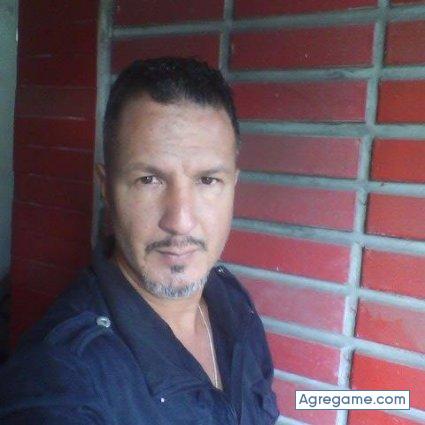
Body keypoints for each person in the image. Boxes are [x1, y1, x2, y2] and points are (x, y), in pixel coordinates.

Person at [0, 57, 279, 424]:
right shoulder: (61, 376)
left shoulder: (232, 302)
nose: (180, 221)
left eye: (208, 180)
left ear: (233, 186)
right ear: (106, 188)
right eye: (149, 180)